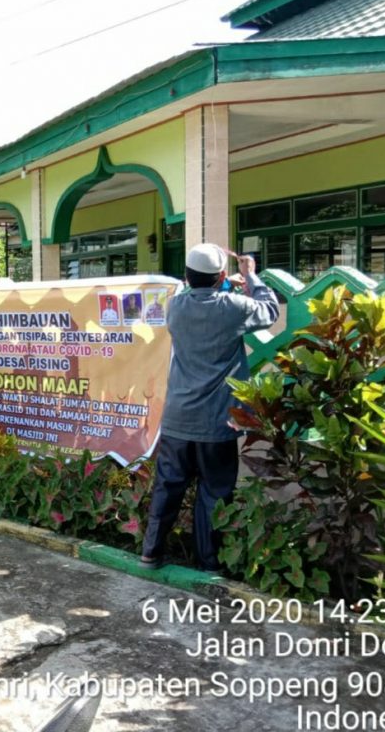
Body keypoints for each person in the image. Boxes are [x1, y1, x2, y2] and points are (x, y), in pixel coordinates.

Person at [141, 243, 279, 573]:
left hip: (177, 420)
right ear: (220, 276)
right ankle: (208, 562)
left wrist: (223, 283)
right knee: (214, 492)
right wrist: (251, 276)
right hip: (218, 422)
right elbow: (269, 310)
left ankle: (151, 552)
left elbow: (204, 294)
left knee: (168, 487)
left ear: (186, 276)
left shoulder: (176, 307)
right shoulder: (234, 307)